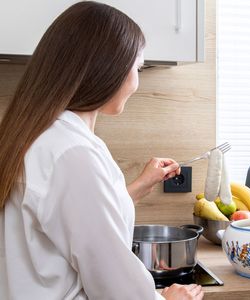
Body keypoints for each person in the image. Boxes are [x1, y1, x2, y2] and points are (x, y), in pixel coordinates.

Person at [0, 2, 203, 300]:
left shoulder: (35, 135)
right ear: (108, 68)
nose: (137, 81)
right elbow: (117, 289)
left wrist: (136, 187)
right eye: (138, 68)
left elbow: (67, 221)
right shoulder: (72, 154)